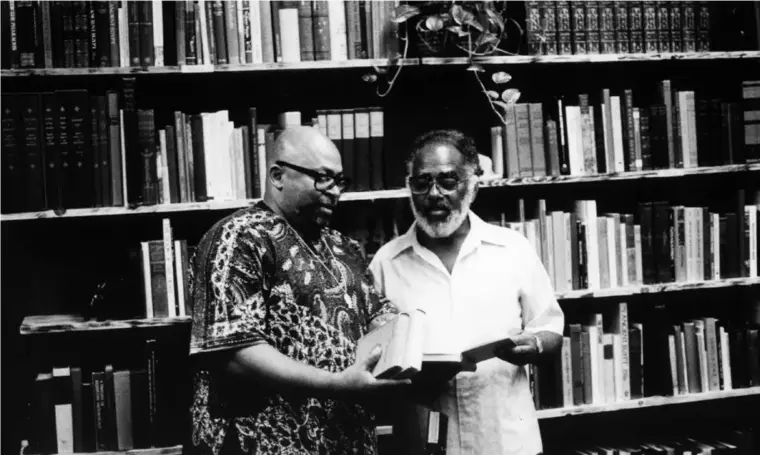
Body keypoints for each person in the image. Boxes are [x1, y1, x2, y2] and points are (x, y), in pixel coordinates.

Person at [187, 126, 410, 455]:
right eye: (323, 178)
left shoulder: (345, 247)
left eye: (339, 181)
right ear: (277, 176)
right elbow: (233, 353)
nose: (334, 191)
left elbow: (377, 315)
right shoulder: (238, 238)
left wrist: (417, 347)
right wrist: (337, 385)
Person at [369, 129, 565, 455]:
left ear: (473, 186)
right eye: (422, 183)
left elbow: (551, 331)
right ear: (409, 187)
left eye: (448, 181)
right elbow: (372, 357)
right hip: (424, 444)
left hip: (505, 441)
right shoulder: (386, 263)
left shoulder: (512, 250)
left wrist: (534, 345)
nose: (434, 194)